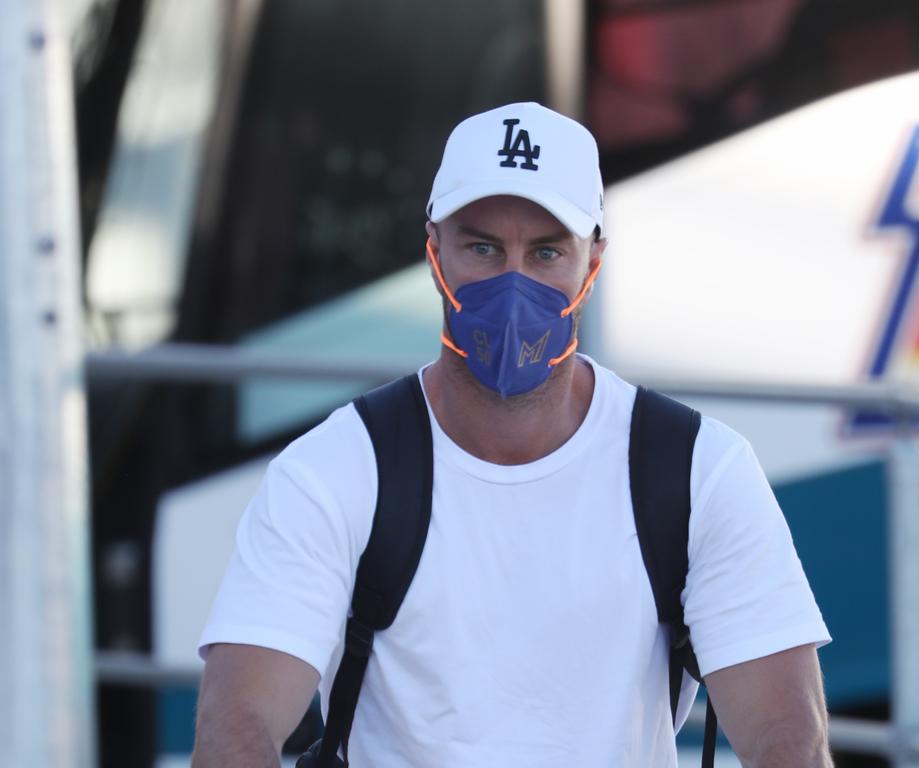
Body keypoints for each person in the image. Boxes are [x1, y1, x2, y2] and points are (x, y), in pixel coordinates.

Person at [193, 102, 832, 767]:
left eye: (547, 251)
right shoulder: (334, 470)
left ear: (592, 264)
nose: (513, 285)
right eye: (482, 247)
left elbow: (787, 737)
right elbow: (236, 722)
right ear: (434, 250)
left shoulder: (699, 471)